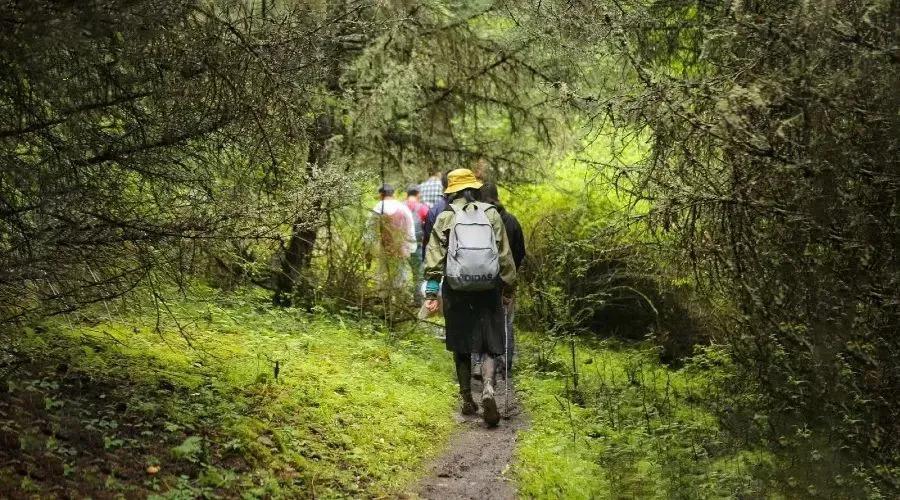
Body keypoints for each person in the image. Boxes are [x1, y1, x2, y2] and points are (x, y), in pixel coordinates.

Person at [423, 169, 516, 426]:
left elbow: (434, 257)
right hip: (488, 288)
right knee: (489, 343)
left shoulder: (446, 217)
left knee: (461, 344)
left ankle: (467, 398)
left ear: (451, 192)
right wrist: (508, 287)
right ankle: (488, 388)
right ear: (475, 189)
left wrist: (431, 292)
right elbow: (504, 255)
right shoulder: (491, 214)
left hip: (456, 290)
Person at [476, 182, 526, 378]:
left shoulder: (478, 220)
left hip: (481, 280)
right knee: (506, 321)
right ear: (497, 197)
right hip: (506, 281)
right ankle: (505, 364)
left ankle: (479, 363)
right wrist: (511, 276)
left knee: (482, 320)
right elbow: (520, 253)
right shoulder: (511, 221)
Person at [365, 184, 416, 299]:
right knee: (401, 273)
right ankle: (401, 298)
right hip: (402, 247)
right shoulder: (403, 207)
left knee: (383, 272)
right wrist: (411, 247)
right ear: (393, 194)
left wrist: (368, 249)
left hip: (385, 246)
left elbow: (370, 229)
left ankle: (384, 299)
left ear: (381, 194)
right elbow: (410, 228)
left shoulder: (379, 207)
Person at [405, 185, 429, 303]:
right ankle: (418, 299)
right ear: (418, 194)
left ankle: (403, 298)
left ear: (407, 194)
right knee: (419, 272)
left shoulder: (401, 206)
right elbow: (429, 225)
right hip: (417, 244)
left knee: (402, 272)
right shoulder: (422, 208)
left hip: (401, 244)